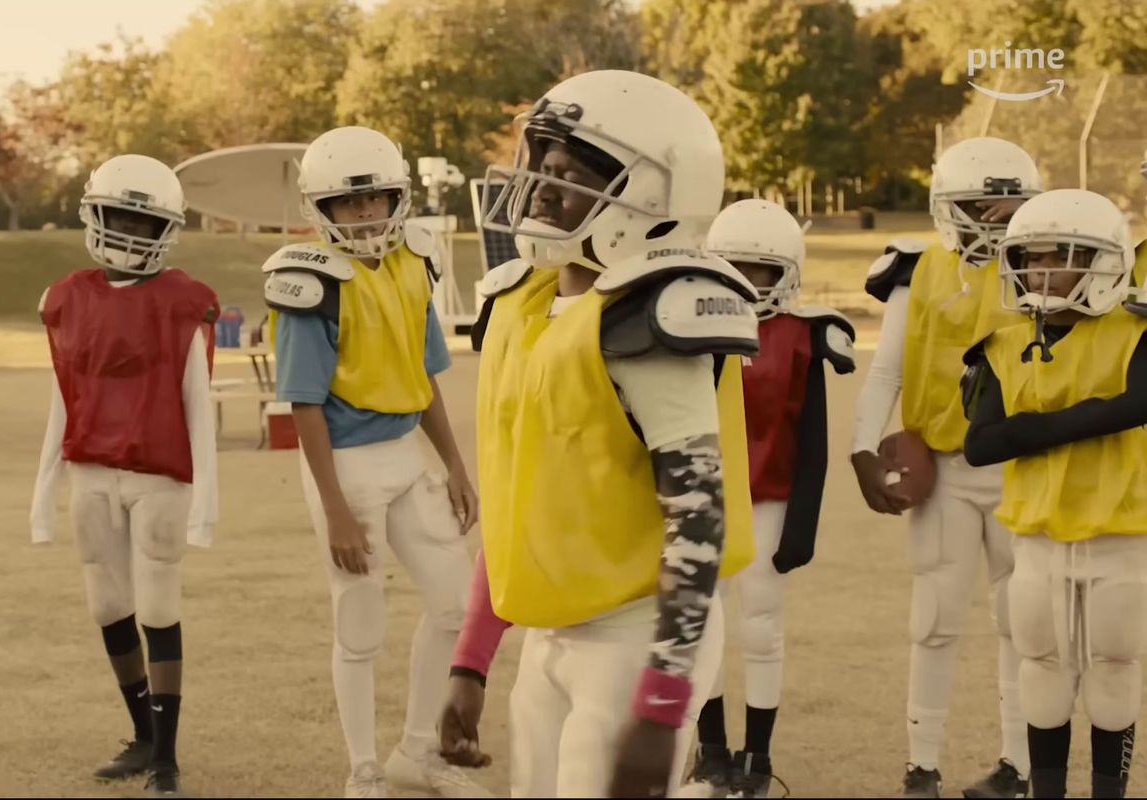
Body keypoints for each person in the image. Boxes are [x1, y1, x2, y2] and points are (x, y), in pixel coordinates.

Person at [468, 68, 759, 798]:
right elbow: (517, 500)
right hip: (549, 634)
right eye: (539, 164)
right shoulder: (523, 303)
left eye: (564, 171)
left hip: (634, 631)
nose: (538, 186)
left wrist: (662, 703)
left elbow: (700, 520)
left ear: (648, 193)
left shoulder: (650, 317)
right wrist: (470, 658)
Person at [264, 125, 487, 799]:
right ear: (319, 209)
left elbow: (422, 377)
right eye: (348, 204)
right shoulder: (310, 282)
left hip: (404, 454)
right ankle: (362, 769)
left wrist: (454, 462)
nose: (365, 215)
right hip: (345, 463)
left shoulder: (415, 262)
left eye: (377, 200)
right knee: (360, 623)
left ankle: (416, 752)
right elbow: (304, 405)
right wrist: (334, 508)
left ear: (400, 197)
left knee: (455, 603)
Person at [850, 137, 1038, 798]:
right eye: (985, 206)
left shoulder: (1044, 267)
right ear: (950, 207)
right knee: (934, 618)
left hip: (1021, 468)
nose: (998, 219)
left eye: (1010, 206)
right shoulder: (917, 270)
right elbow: (886, 372)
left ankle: (1019, 763)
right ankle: (921, 764)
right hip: (945, 472)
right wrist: (859, 447)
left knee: (1025, 622)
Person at [30, 154, 218, 797]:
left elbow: (200, 404)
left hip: (159, 474)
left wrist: (204, 505)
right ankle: (142, 735)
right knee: (107, 605)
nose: (132, 233)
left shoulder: (182, 302)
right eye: (121, 216)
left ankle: (165, 757)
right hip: (91, 473)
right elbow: (64, 395)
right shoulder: (66, 297)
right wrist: (44, 491)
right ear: (94, 213)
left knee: (159, 605)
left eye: (145, 221)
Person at [960, 189, 1147, 800]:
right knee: (1041, 668)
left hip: (1120, 532)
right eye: (1032, 258)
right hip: (1037, 536)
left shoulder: (1135, 332)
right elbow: (981, 444)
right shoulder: (1001, 340)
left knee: (1115, 669)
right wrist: (1079, 421)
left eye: (1058, 258)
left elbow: (1140, 404)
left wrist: (1037, 428)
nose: (1040, 273)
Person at [688, 200, 856, 798]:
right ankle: (710, 752)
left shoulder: (805, 336)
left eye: (759, 272)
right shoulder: (690, 323)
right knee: (702, 625)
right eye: (734, 268)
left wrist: (802, 527)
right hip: (706, 499)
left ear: (785, 273)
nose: (746, 283)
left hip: (770, 502)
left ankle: (756, 758)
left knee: (761, 627)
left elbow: (813, 441)